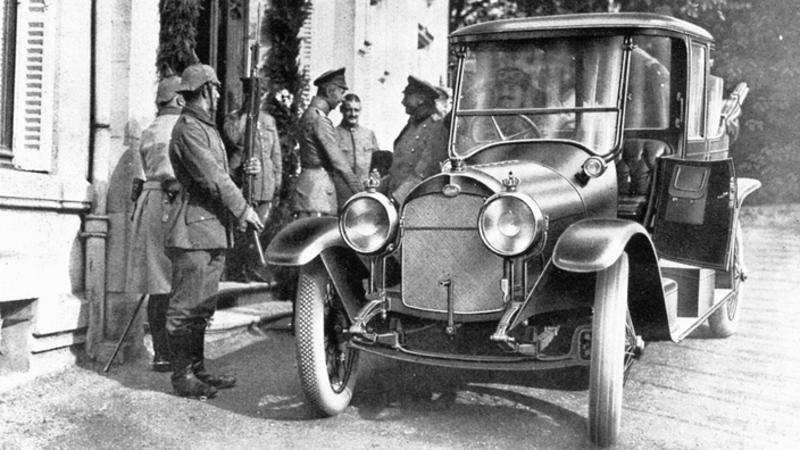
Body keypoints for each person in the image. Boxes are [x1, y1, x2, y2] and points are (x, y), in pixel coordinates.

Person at [165, 63, 264, 399]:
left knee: (203, 306)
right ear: (205, 89)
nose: (220, 93)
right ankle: (182, 376)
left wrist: (245, 168)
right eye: (217, 87)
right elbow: (211, 177)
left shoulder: (206, 127)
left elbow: (222, 174)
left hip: (211, 230)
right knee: (186, 307)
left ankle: (197, 369)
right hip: (192, 230)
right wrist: (243, 209)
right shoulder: (188, 129)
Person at [125, 75, 184, 373]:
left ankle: (162, 353)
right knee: (176, 282)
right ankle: (174, 352)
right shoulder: (181, 127)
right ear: (180, 99)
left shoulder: (150, 129)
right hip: (172, 202)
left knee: (158, 283)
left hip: (149, 204)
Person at [222, 78, 282, 283]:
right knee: (241, 227)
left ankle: (252, 267)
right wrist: (246, 115)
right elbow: (232, 138)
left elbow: (275, 154)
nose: (258, 99)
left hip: (265, 183)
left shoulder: (268, 120)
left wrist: (277, 181)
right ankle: (237, 269)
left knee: (259, 226)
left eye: (261, 95)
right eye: (253, 95)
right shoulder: (235, 118)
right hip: (243, 180)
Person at [291, 67, 362, 218]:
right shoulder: (320, 120)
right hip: (318, 194)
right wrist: (361, 192)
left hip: (309, 190)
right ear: (329, 91)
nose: (342, 99)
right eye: (341, 92)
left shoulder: (309, 114)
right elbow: (339, 163)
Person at [382, 75, 449, 204]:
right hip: (396, 198)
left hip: (413, 202)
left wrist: (396, 199)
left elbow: (424, 172)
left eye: (407, 97)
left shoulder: (436, 127)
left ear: (420, 99)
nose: (403, 102)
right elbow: (397, 168)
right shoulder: (412, 125)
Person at [333, 93, 380, 210]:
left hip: (365, 194)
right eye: (349, 110)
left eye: (356, 110)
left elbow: (377, 163)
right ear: (341, 110)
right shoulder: (333, 134)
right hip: (341, 196)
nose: (353, 114)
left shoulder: (368, 134)